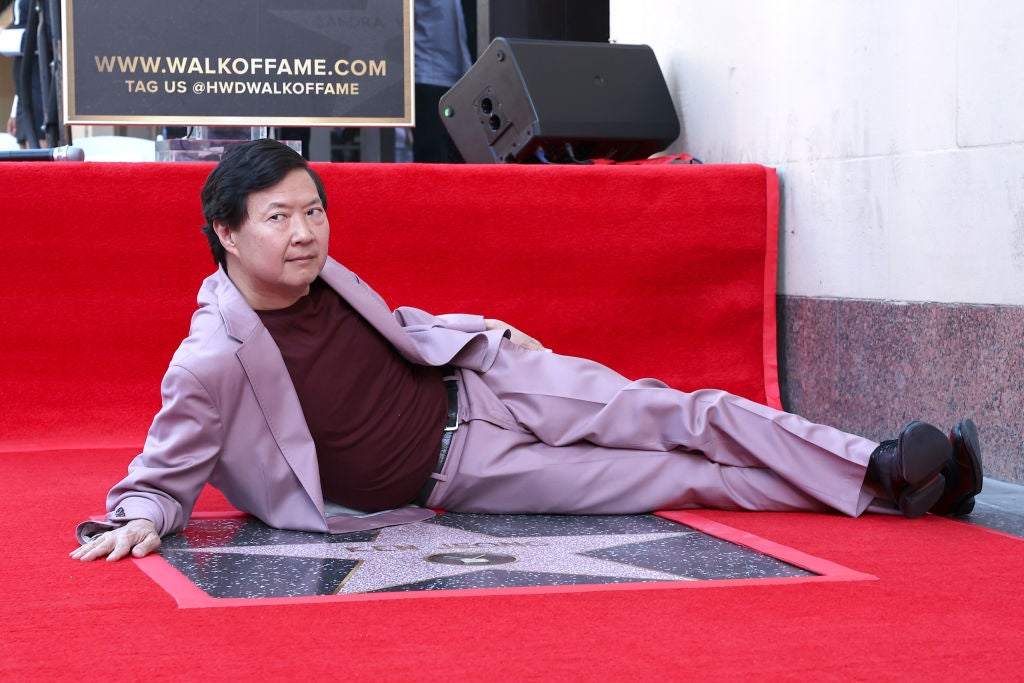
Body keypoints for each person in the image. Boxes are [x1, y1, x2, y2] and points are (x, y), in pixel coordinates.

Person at [71, 139, 984, 562]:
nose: (307, 233)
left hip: (490, 379)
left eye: (315, 209)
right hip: (461, 472)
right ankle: (900, 493)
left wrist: (493, 336)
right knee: (677, 473)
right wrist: (142, 515)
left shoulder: (325, 272)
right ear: (226, 234)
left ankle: (885, 460)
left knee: (687, 412)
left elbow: (400, 331)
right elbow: (165, 464)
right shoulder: (212, 357)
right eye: (280, 218)